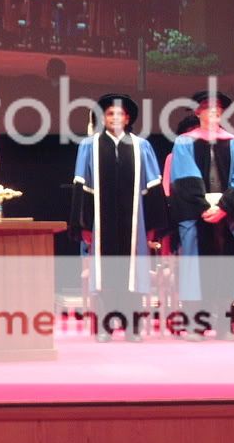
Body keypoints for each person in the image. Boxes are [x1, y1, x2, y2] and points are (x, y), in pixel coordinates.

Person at [70, 94, 168, 342]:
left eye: (120, 114)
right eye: (110, 113)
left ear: (128, 118)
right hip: (101, 225)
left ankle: (133, 328)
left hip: (135, 224)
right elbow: (82, 186)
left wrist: (153, 227)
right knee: (104, 275)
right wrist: (84, 224)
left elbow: (152, 187)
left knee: (133, 274)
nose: (115, 118)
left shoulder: (141, 146)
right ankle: (105, 327)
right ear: (103, 117)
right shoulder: (89, 146)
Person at [169, 91, 234, 341]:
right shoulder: (184, 143)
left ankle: (224, 326)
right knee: (196, 270)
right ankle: (196, 326)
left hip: (227, 217)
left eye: (218, 108)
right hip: (196, 216)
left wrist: (224, 207)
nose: (214, 112)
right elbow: (183, 179)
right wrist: (203, 206)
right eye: (208, 108)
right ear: (198, 112)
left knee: (226, 268)